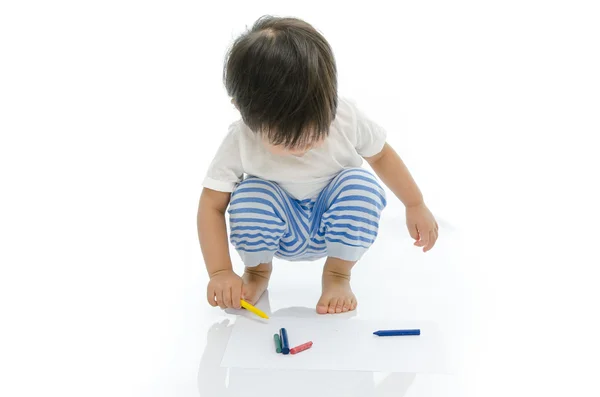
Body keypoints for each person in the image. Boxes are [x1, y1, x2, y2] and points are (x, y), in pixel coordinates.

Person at [197, 16, 438, 315]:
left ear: (329, 100)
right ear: (244, 112)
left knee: (360, 185)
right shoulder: (240, 139)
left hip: (333, 225)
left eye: (314, 132)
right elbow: (211, 204)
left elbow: (381, 156)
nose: (303, 145)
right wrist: (219, 272)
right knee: (249, 195)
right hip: (277, 231)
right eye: (285, 139)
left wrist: (415, 204)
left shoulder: (345, 117)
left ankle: (337, 275)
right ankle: (257, 273)